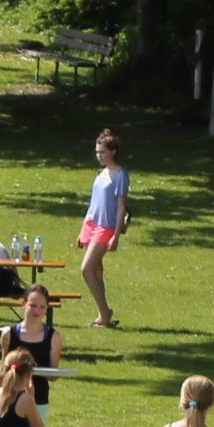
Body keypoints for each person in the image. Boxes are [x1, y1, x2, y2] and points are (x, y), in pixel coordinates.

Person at [73, 129, 130, 326]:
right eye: (97, 152)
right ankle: (103, 314)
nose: (99, 156)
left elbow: (121, 208)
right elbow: (93, 203)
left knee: (86, 269)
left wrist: (116, 236)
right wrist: (83, 228)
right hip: (91, 224)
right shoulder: (100, 174)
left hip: (105, 227)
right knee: (96, 271)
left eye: (102, 152)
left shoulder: (120, 175)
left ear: (113, 152)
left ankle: (105, 313)